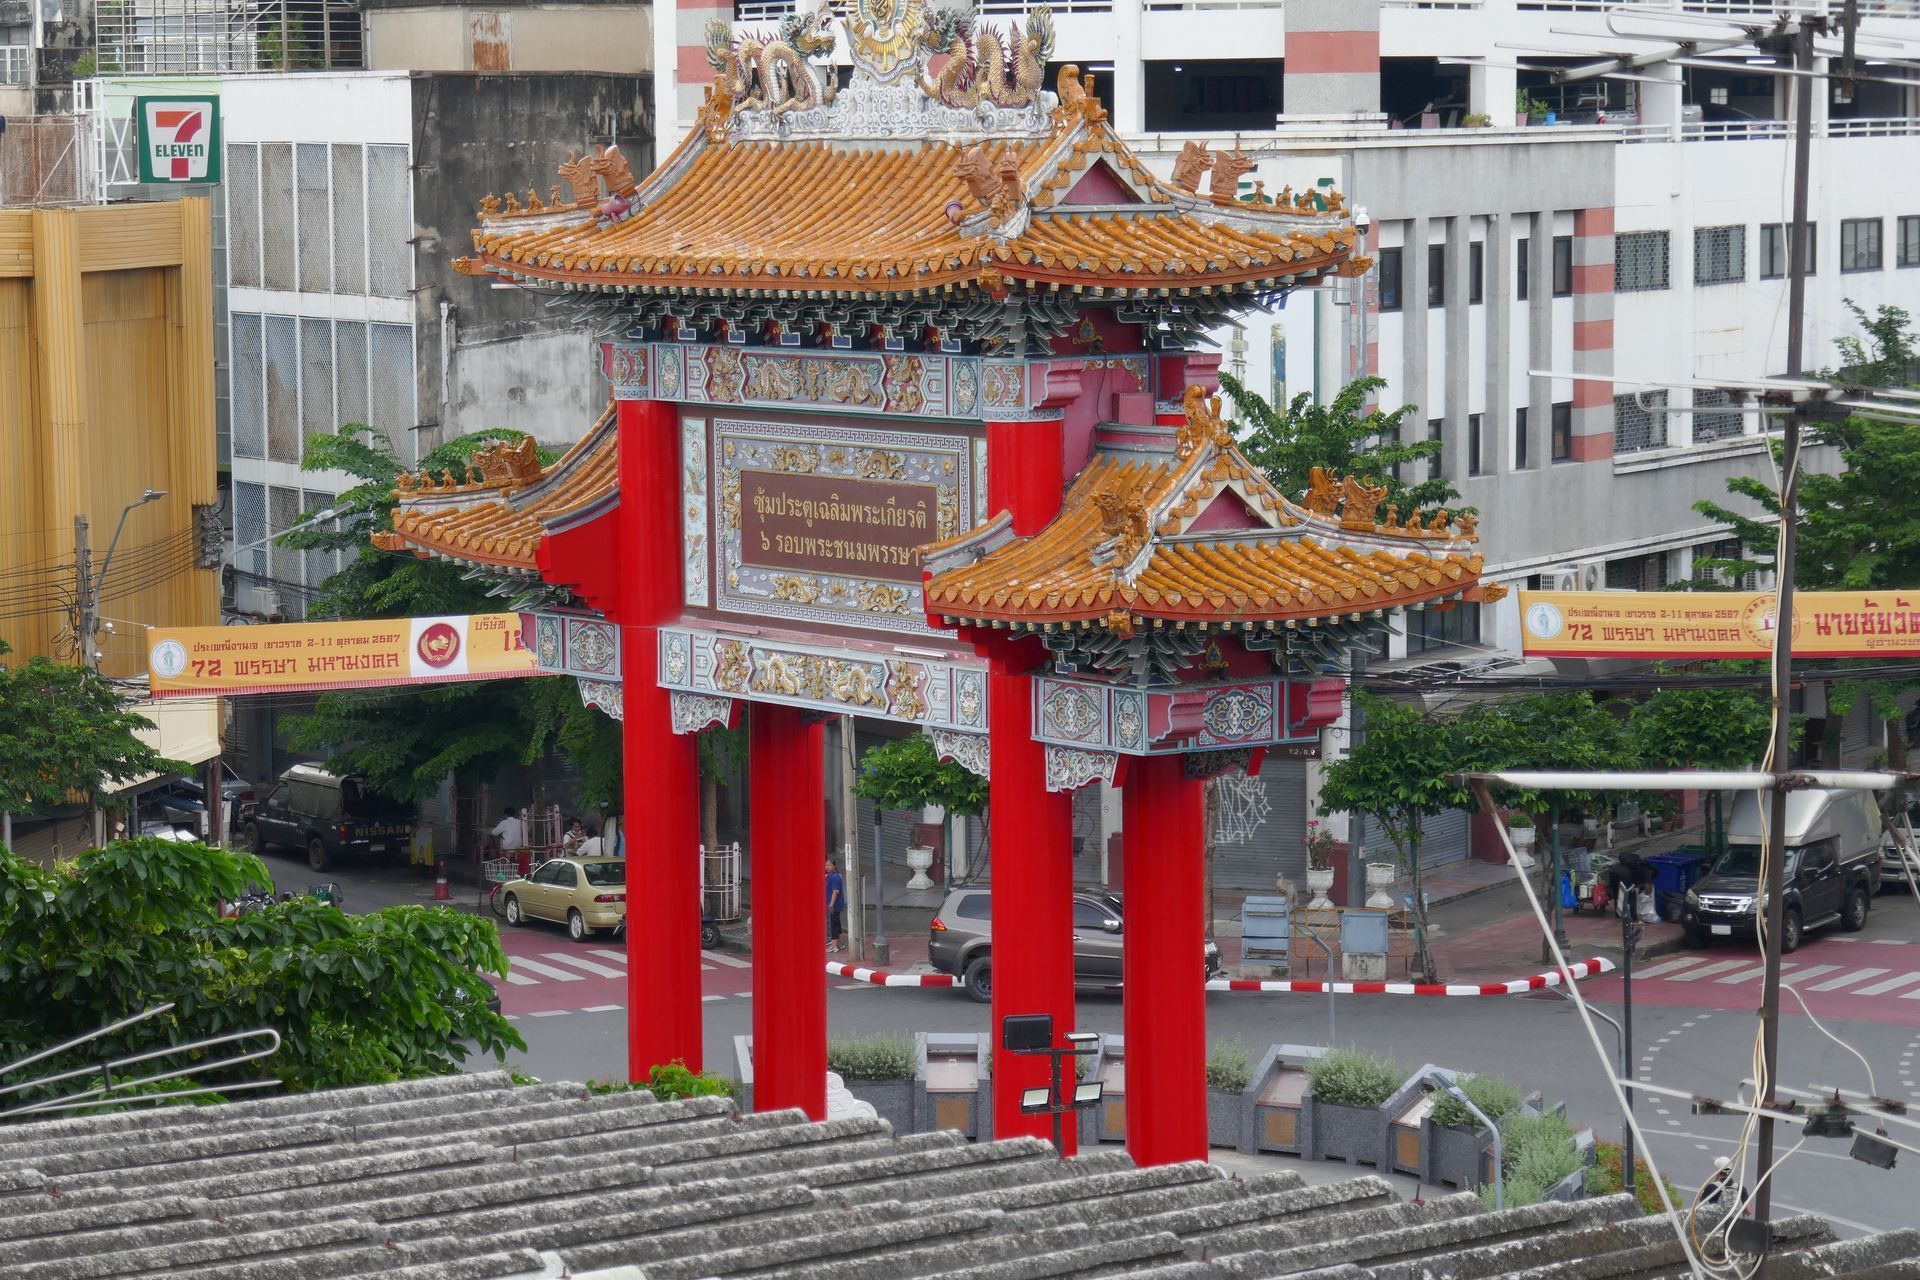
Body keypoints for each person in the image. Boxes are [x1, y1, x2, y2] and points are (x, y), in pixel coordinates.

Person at [493, 807, 526, 876]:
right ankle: (513, 868)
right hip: (518, 847)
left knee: (501, 838)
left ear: (505, 815)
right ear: (514, 814)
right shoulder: (519, 822)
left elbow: (494, 833)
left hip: (507, 848)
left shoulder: (504, 823)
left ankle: (503, 868)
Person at [826, 858, 845, 953]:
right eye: (826, 866)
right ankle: (839, 943)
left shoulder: (835, 877)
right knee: (837, 923)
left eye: (829, 865)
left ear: (834, 866)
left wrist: (831, 904)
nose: (827, 867)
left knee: (834, 924)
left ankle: (834, 946)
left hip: (835, 905)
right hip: (835, 904)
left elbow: (835, 891)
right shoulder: (831, 876)